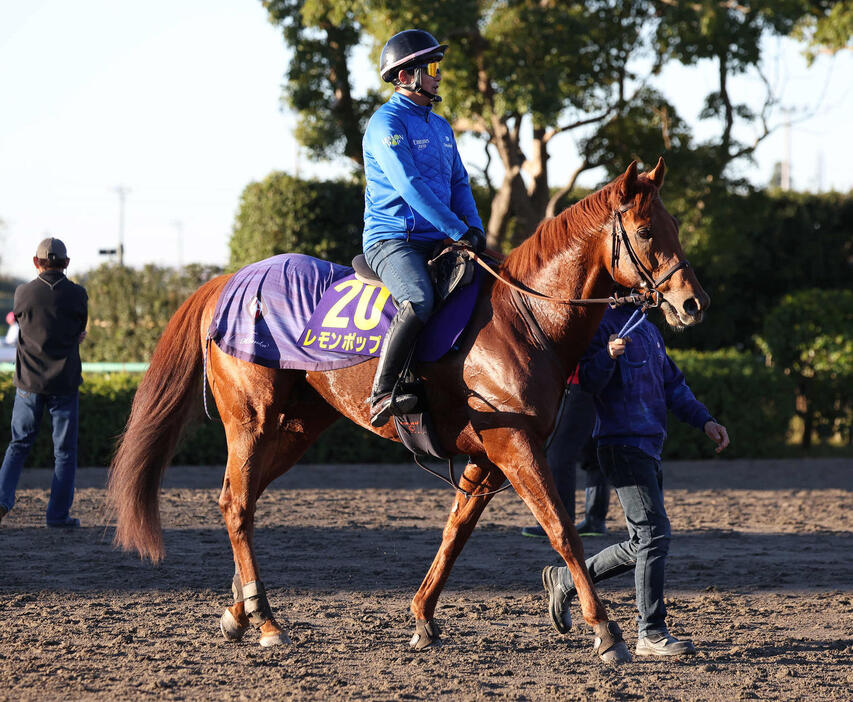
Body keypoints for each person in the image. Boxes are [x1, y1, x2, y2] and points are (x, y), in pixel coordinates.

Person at [541, 304, 729, 656]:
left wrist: (705, 421)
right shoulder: (596, 326)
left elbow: (673, 385)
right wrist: (607, 356)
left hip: (649, 446)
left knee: (641, 541)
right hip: (620, 445)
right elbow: (585, 380)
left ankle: (565, 580)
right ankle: (651, 632)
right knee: (655, 534)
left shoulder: (648, 328)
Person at [362, 29, 485, 427]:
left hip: (439, 238)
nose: (438, 75)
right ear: (405, 77)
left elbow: (459, 184)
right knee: (418, 298)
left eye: (437, 66)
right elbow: (410, 187)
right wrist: (456, 228)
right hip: (391, 240)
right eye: (431, 67)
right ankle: (382, 393)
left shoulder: (442, 126)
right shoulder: (385, 124)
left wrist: (475, 230)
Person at [0, 238, 88, 527]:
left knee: (18, 444)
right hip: (64, 383)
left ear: (36, 262)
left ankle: (2, 500)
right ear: (66, 263)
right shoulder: (77, 295)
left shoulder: (23, 293)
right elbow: (78, 333)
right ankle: (57, 515)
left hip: (28, 383)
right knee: (64, 453)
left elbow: (25, 327)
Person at [520, 371, 610, 538]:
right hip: (601, 381)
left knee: (559, 453)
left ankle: (561, 523)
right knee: (593, 454)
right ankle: (595, 520)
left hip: (580, 381)